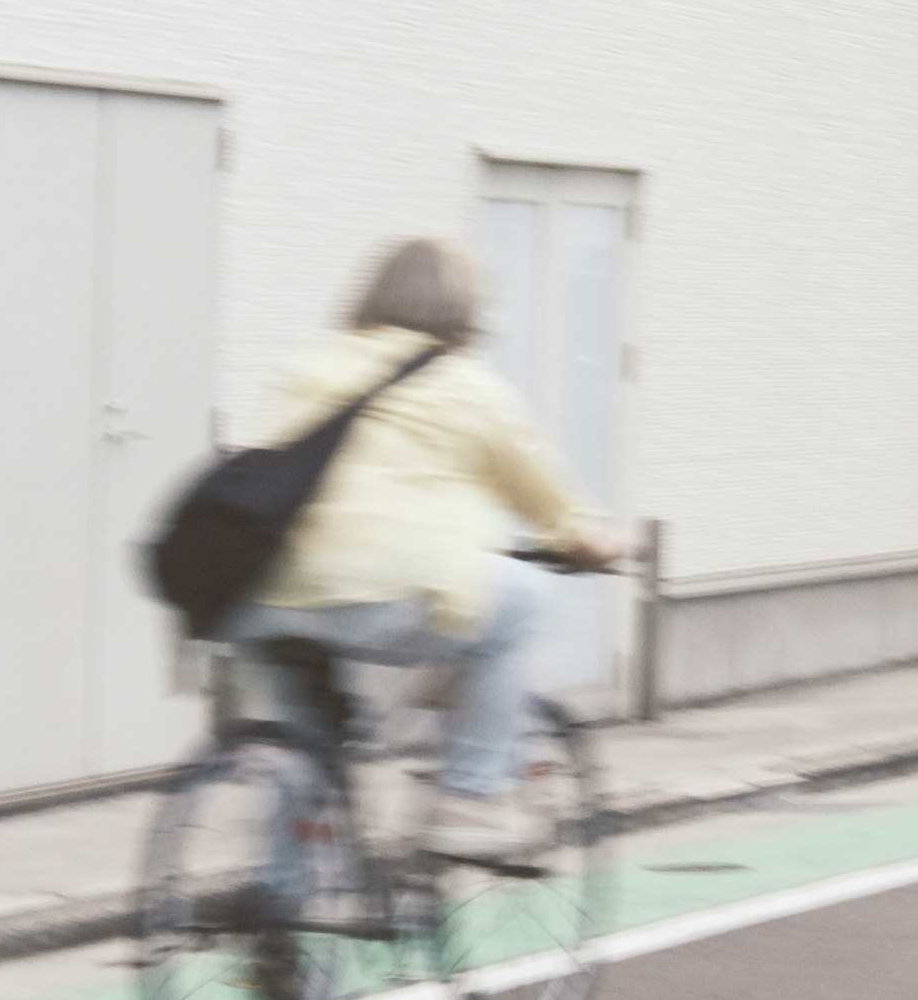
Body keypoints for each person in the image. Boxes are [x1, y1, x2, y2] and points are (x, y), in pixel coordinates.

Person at [231, 235, 624, 857]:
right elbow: (548, 502)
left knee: (308, 756)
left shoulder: (312, 367)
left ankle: (282, 926)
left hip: (261, 597)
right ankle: (469, 797)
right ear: (464, 315)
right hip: (381, 598)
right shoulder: (465, 385)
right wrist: (597, 542)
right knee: (522, 601)